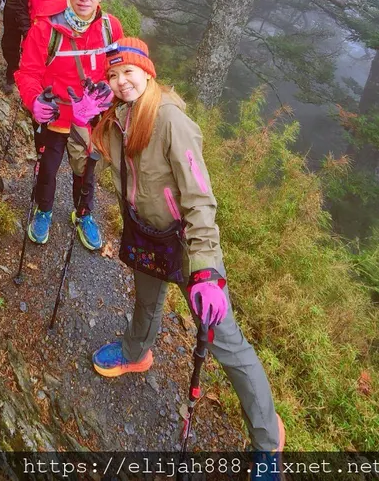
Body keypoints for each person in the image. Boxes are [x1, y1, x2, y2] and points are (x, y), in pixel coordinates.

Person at [84, 37, 286, 457]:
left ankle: (267, 440)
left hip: (188, 242)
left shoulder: (171, 120)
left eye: (129, 72)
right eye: (114, 75)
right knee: (146, 302)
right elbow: (85, 161)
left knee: (224, 340)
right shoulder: (116, 118)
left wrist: (208, 270)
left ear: (147, 72)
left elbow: (199, 197)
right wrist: (79, 120)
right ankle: (136, 352)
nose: (122, 82)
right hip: (146, 232)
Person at [14, 0, 123, 250]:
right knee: (48, 169)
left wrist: (110, 92)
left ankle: (83, 214)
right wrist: (34, 101)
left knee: (85, 170)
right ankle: (44, 210)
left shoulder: (110, 29)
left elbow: (118, 69)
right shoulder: (46, 28)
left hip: (88, 119)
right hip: (53, 115)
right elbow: (28, 72)